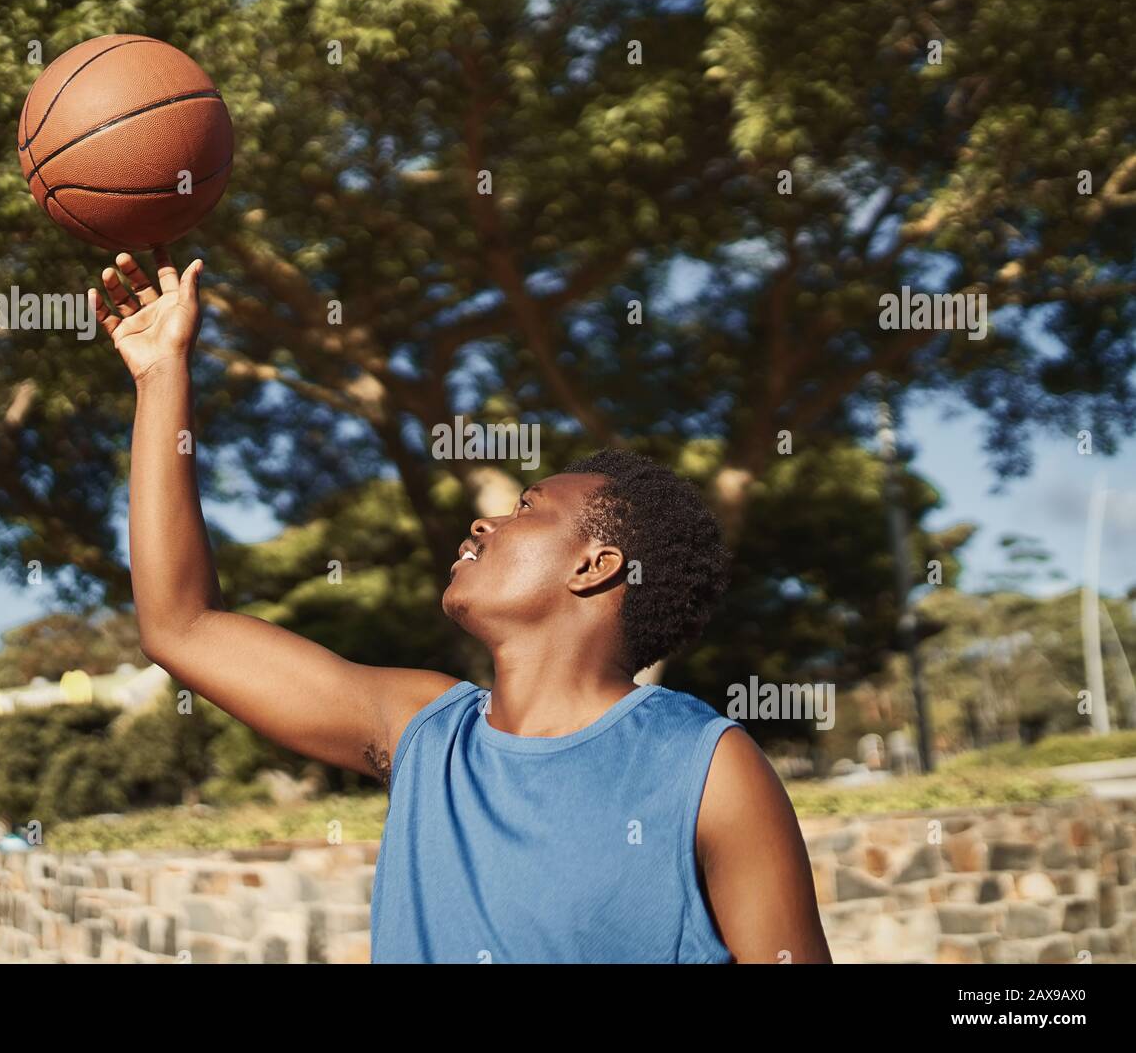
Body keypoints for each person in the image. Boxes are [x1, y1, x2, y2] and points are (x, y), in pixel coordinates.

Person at [90, 247, 832, 964]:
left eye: (528, 509)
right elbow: (181, 626)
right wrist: (162, 376)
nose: (486, 523)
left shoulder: (704, 767)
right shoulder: (424, 732)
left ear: (595, 566)